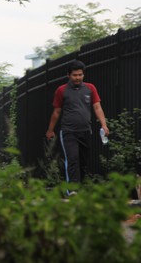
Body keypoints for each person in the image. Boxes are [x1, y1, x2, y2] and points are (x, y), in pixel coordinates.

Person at [46, 60, 109, 195]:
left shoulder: (90, 88)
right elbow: (56, 112)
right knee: (72, 159)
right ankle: (73, 190)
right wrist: (50, 130)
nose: (78, 78)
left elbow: (97, 107)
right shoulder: (61, 90)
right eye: (75, 75)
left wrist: (104, 125)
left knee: (83, 162)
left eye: (80, 75)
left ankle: (80, 189)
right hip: (69, 132)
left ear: (83, 75)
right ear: (68, 75)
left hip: (85, 131)